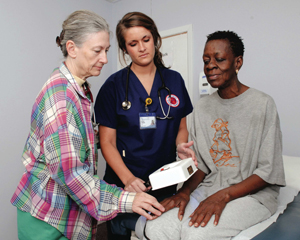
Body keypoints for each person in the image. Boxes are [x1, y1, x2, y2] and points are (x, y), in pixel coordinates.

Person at [10, 10, 165, 240]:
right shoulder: (61, 98)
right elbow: (71, 175)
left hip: (68, 214)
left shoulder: (80, 89)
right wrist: (127, 200)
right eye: (97, 51)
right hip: (47, 218)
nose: (104, 58)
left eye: (106, 50)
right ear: (72, 48)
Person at [140, 30, 286, 240]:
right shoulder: (202, 107)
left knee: (196, 234)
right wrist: (184, 192)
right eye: (206, 60)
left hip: (255, 195)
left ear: (238, 62)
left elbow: (268, 170)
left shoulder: (262, 104)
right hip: (211, 187)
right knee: (156, 228)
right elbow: (201, 164)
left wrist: (224, 195)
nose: (210, 66)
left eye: (219, 59)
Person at [94, 12, 195, 239]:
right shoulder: (113, 87)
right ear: (125, 49)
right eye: (133, 43)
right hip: (125, 185)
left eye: (146, 39)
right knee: (123, 233)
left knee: (158, 234)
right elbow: (107, 142)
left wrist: (180, 146)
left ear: (155, 39)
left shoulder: (174, 80)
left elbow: (180, 127)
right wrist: (128, 179)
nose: (141, 48)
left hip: (164, 182)